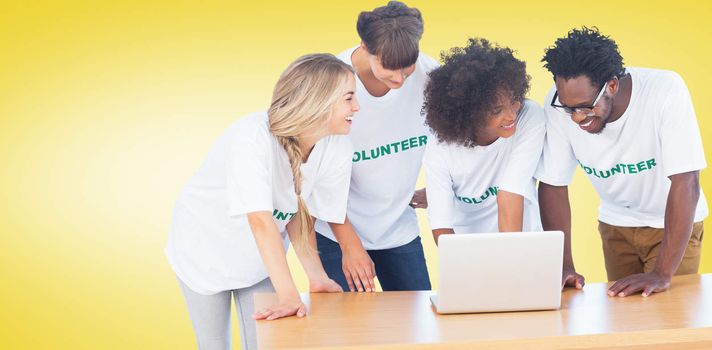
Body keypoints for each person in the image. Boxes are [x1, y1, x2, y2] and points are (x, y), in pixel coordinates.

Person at [165, 53, 360, 350]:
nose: (356, 107)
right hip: (204, 249)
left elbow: (298, 214)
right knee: (214, 343)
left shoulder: (337, 149)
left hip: (258, 259)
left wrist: (316, 276)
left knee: (268, 342)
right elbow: (260, 221)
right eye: (349, 98)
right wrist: (288, 294)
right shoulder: (252, 137)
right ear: (319, 100)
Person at [536, 27, 707, 297]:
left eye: (585, 107)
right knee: (625, 326)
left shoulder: (665, 91)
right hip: (616, 226)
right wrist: (564, 265)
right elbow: (552, 185)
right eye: (569, 109)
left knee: (669, 323)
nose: (577, 117)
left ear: (612, 85)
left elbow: (686, 182)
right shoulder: (559, 102)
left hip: (672, 224)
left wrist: (662, 273)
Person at [313, 1, 438, 293]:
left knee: (417, 329)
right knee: (349, 332)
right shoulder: (328, 83)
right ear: (365, 47)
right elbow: (315, 176)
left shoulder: (430, 75)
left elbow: (456, 138)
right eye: (390, 68)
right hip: (337, 230)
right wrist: (350, 245)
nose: (399, 78)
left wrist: (443, 187)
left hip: (398, 229)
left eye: (407, 69)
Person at [422, 38, 546, 243]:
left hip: (522, 243)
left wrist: (513, 261)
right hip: (470, 248)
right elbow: (441, 222)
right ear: (469, 113)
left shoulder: (529, 116)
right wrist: (458, 263)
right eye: (496, 110)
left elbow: (510, 193)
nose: (511, 116)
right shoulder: (439, 144)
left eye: (513, 101)